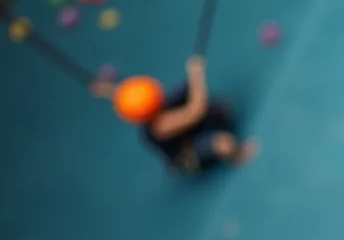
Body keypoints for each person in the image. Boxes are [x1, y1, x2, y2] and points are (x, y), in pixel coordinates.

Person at [93, 56, 260, 173]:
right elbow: (195, 111)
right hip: (187, 153)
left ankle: (212, 123)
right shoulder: (161, 125)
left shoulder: (146, 112)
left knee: (188, 91)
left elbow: (127, 96)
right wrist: (197, 74)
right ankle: (238, 157)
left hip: (185, 133)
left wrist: (109, 90)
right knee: (224, 143)